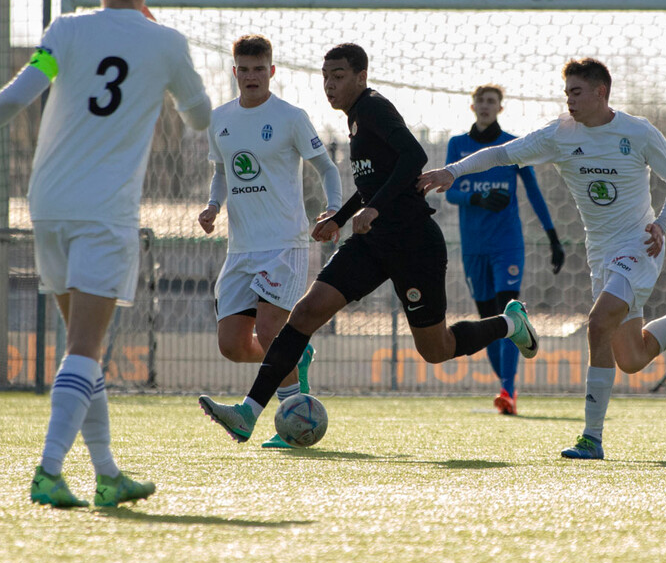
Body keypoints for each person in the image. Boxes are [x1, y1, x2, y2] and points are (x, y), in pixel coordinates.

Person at [0, 0, 212, 507]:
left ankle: (106, 474)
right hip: (104, 213)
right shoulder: (167, 43)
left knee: (83, 348)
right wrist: (171, 74)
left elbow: (21, 92)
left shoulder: (66, 31)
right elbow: (199, 119)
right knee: (83, 345)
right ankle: (49, 470)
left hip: (48, 203)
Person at [197, 43, 539, 442]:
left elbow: (412, 157)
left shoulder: (374, 107)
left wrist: (373, 209)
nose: (329, 85)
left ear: (361, 77)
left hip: (413, 243)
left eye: (338, 76)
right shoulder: (355, 119)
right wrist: (339, 219)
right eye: (325, 77)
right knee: (305, 314)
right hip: (371, 243)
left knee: (436, 348)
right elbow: (373, 182)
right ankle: (248, 413)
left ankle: (509, 322)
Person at [419, 58, 666, 459]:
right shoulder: (559, 134)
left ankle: (592, 437)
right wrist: (453, 172)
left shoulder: (637, 132)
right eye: (566, 92)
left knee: (596, 323)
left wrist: (662, 223)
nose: (569, 100)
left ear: (600, 92)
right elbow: (501, 154)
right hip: (601, 252)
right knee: (633, 358)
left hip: (640, 245)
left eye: (576, 92)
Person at [197, 34, 343, 449]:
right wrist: (212, 206)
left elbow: (327, 169)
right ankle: (295, 357)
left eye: (259, 69)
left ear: (272, 71)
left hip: (285, 244)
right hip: (240, 249)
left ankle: (293, 421)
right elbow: (223, 172)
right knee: (233, 346)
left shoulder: (290, 117)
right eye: (244, 69)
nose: (251, 76)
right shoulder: (219, 119)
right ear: (235, 72)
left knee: (269, 328)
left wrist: (334, 210)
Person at [445, 84, 565, 415]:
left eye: (491, 101)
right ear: (473, 107)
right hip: (473, 248)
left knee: (509, 311)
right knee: (488, 321)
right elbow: (449, 192)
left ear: (500, 107)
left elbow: (534, 192)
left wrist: (553, 236)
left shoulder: (513, 145)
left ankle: (508, 390)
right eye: (480, 101)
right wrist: (477, 197)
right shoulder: (457, 145)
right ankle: (506, 388)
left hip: (507, 245)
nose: (485, 106)